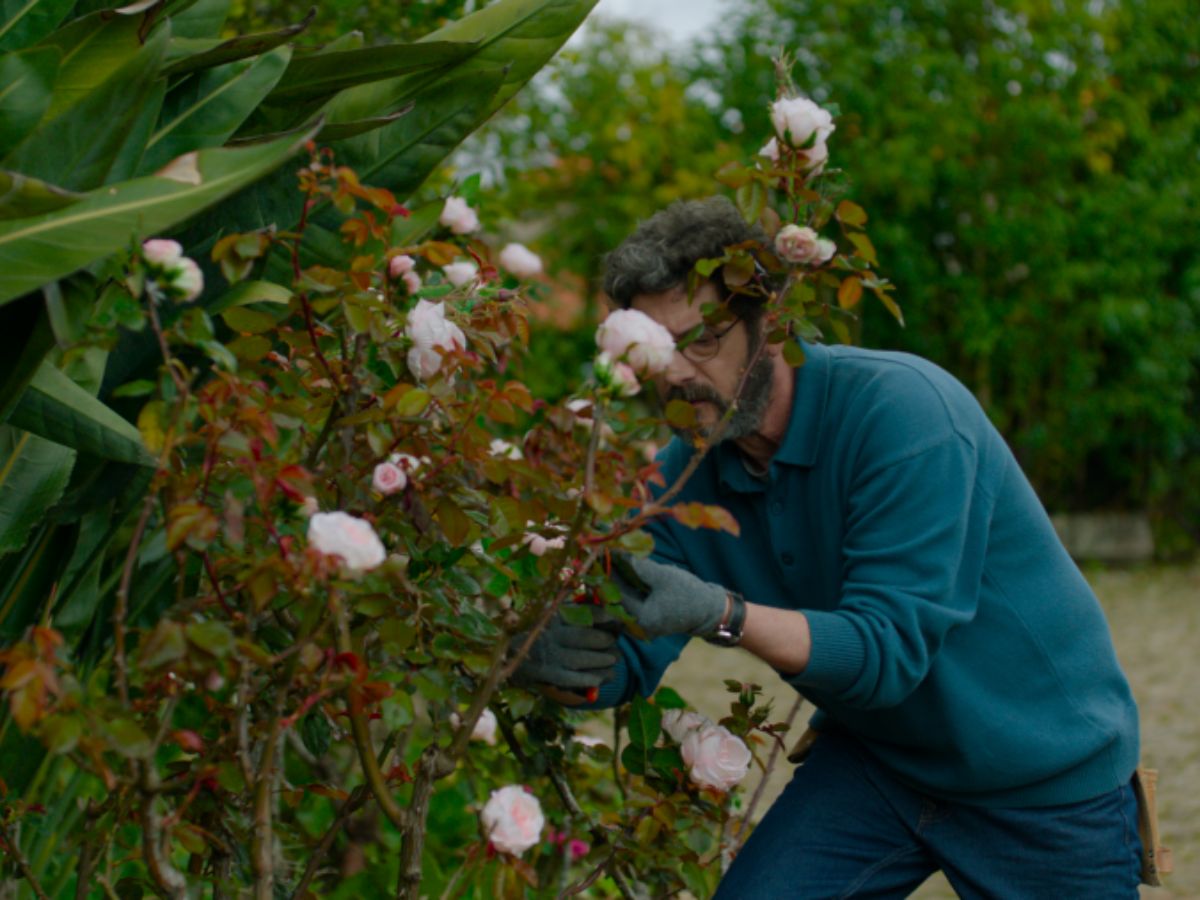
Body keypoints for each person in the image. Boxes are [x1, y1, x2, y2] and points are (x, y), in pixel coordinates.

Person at [516, 197, 1143, 898]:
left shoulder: (903, 416)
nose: (675, 376)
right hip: (883, 763)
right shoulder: (683, 479)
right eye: (658, 351)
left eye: (701, 342)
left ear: (773, 326)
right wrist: (556, 661)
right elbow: (633, 643)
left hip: (1041, 775)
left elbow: (885, 655)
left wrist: (721, 612)